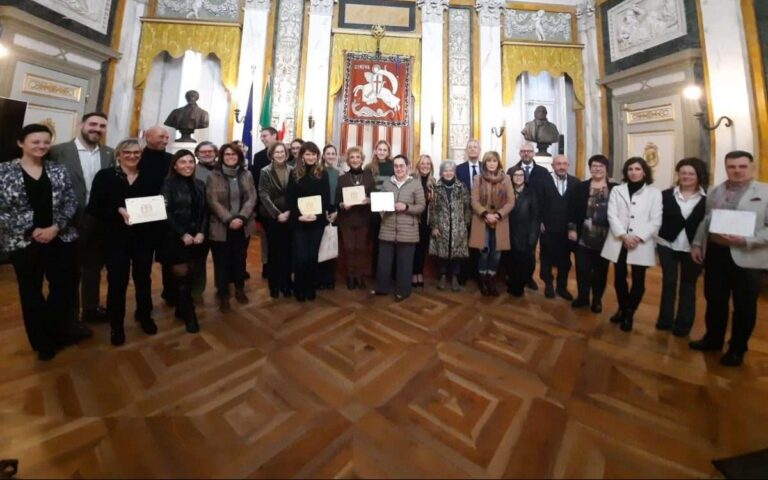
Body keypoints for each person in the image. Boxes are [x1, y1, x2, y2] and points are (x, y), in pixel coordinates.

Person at [0, 124, 79, 360]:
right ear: (21, 143)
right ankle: (41, 342)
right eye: (36, 141)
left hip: (59, 238)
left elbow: (71, 202)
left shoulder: (58, 170)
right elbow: (3, 210)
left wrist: (55, 227)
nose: (42, 146)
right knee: (31, 291)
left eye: (46, 142)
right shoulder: (4, 171)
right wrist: (33, 230)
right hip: (24, 242)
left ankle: (55, 333)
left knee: (62, 288)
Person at [690, 151, 768, 367]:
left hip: (747, 256)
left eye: (742, 166)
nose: (737, 170)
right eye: (732, 166)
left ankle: (737, 348)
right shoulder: (716, 190)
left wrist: (746, 240)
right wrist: (697, 243)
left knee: (744, 306)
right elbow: (706, 220)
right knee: (714, 300)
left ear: (751, 167)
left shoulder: (765, 192)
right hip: (716, 253)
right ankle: (713, 339)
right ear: (726, 168)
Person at [88, 138, 159, 346]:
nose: (132, 156)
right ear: (118, 154)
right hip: (115, 239)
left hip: (143, 239)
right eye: (127, 152)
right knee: (117, 282)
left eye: (136, 152)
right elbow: (93, 208)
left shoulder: (150, 177)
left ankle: (144, 316)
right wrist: (117, 210)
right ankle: (116, 326)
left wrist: (159, 206)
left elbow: (156, 203)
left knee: (143, 279)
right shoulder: (105, 176)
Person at [48, 112, 114, 337]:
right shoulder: (58, 151)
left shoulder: (110, 154)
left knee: (93, 268)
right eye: (93, 124)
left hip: (96, 221)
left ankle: (91, 308)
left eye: (102, 125)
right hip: (66, 221)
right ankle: (70, 319)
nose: (97, 129)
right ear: (81, 125)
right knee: (68, 272)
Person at [601, 157, 662, 332]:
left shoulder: (654, 193)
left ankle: (629, 313)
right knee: (619, 278)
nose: (633, 172)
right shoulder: (617, 190)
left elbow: (656, 220)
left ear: (644, 172)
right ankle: (622, 307)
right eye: (630, 169)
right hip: (619, 240)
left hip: (640, 243)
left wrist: (638, 237)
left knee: (638, 280)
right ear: (626, 172)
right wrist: (623, 235)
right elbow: (611, 215)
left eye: (637, 169)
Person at [655, 158, 707, 337]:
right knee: (668, 283)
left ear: (698, 176)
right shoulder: (665, 195)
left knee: (688, 286)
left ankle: (683, 325)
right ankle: (664, 320)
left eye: (691, 173)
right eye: (683, 173)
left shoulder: (708, 198)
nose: (686, 176)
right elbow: (656, 218)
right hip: (667, 245)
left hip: (694, 248)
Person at [159, 150, 209, 334]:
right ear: (175, 165)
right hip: (175, 238)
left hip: (196, 238)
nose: (187, 165)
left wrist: (202, 233)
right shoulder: (167, 184)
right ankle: (190, 315)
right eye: (183, 162)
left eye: (190, 162)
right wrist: (182, 234)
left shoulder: (200, 184)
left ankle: (181, 309)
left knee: (191, 274)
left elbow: (205, 211)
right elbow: (165, 212)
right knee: (182, 277)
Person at [207, 143, 257, 312]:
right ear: (222, 156)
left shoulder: (247, 174)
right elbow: (212, 200)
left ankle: (239, 288)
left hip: (243, 225)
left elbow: (252, 198)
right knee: (221, 262)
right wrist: (229, 219)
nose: (230, 157)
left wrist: (242, 217)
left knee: (240, 259)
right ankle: (223, 294)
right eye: (227, 154)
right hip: (222, 226)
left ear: (239, 157)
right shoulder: (213, 176)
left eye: (233, 155)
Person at [567, 155, 618, 313]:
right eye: (594, 166)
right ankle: (583, 297)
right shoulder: (580, 187)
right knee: (582, 269)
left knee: (601, 272)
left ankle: (596, 300)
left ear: (606, 169)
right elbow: (572, 210)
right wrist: (572, 229)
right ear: (590, 168)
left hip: (606, 238)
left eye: (601, 166)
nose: (597, 169)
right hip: (584, 237)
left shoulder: (615, 188)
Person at [371, 154, 425, 301]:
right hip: (387, 227)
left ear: (407, 167)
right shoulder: (388, 183)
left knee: (405, 263)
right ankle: (381, 288)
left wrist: (406, 206)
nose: (398, 168)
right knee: (384, 262)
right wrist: (381, 206)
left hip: (408, 229)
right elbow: (381, 201)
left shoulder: (415, 183)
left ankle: (403, 291)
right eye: (396, 166)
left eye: (401, 166)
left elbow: (421, 206)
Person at [287, 141, 335, 302]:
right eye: (307, 154)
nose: (311, 157)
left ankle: (310, 287)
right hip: (299, 221)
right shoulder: (294, 173)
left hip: (317, 221)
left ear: (317, 156)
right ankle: (299, 287)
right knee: (301, 256)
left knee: (312, 256)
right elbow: (290, 199)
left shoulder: (322, 173)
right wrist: (299, 215)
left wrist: (321, 215)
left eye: (313, 154)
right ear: (302, 156)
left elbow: (326, 198)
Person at [470, 151, 515, 296]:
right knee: (484, 252)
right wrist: (486, 214)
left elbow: (511, 201)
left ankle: (491, 280)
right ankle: (483, 280)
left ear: (498, 163)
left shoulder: (506, 178)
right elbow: (474, 200)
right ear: (484, 163)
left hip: (500, 221)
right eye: (488, 161)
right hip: (482, 220)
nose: (491, 164)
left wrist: (498, 215)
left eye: (494, 161)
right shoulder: (478, 178)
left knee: (496, 254)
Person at [140, 126, 175, 306]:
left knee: (168, 261)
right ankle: (144, 305)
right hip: (143, 219)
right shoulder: (137, 157)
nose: (165, 140)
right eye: (161, 136)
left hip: (166, 221)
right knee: (143, 265)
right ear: (148, 137)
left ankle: (170, 294)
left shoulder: (171, 160)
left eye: (167, 137)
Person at [508, 141, 548, 291]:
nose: (526, 153)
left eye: (529, 151)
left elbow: (546, 197)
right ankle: (513, 279)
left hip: (532, 221)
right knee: (513, 255)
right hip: (512, 223)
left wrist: (542, 221)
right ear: (520, 153)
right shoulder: (511, 170)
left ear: (533, 153)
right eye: (523, 151)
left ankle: (529, 278)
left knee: (529, 254)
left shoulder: (543, 172)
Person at [537, 155, 578, 300]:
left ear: (568, 165)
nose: (561, 166)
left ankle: (562, 287)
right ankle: (548, 284)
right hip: (548, 227)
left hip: (566, 229)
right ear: (553, 165)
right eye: (558, 164)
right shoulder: (543, 181)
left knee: (565, 261)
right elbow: (538, 203)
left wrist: (574, 228)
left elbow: (577, 208)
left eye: (564, 164)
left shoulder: (575, 182)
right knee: (546, 257)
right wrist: (540, 221)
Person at [336, 146, 375, 290]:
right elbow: (337, 201)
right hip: (347, 219)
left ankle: (360, 276)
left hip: (364, 219)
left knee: (361, 249)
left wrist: (369, 200)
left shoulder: (369, 177)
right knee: (349, 248)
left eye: (358, 157)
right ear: (348, 160)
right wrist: (342, 204)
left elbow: (375, 198)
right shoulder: (342, 179)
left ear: (362, 159)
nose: (355, 160)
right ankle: (351, 276)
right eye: (352, 157)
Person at [258, 142, 294, 298]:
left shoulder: (293, 170)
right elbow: (263, 194)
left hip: (289, 216)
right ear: (271, 154)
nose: (280, 154)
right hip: (272, 217)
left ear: (286, 154)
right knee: (274, 252)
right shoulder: (265, 171)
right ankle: (274, 285)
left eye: (282, 152)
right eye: (277, 152)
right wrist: (277, 213)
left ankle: (285, 284)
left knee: (287, 251)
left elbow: (295, 193)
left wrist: (289, 212)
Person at [429, 160, 471, 292]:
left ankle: (454, 277)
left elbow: (467, 207)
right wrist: (434, 226)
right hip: (442, 226)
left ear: (454, 172)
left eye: (451, 170)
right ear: (441, 172)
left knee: (456, 253)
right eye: (445, 170)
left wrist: (465, 224)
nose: (448, 173)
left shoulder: (462, 187)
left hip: (458, 226)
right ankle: (442, 276)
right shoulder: (436, 187)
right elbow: (433, 209)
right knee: (442, 253)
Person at [505, 166, 540, 297]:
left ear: (525, 177)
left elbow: (535, 218)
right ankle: (512, 284)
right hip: (509, 234)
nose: (518, 177)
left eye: (521, 175)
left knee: (523, 263)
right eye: (515, 175)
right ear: (511, 178)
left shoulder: (531, 193)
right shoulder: (507, 192)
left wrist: (532, 237)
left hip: (524, 235)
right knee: (510, 262)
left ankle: (519, 287)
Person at [249, 127, 279, 280]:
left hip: (283, 207)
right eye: (261, 136)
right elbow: (255, 182)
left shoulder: (285, 153)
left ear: (274, 135)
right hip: (265, 206)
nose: (263, 138)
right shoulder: (259, 156)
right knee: (266, 239)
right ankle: (267, 265)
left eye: (265, 135)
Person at [191, 141, 217, 302]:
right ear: (197, 154)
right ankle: (197, 291)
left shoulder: (223, 169)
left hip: (220, 221)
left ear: (216, 153)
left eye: (210, 151)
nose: (207, 154)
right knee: (198, 260)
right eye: (203, 151)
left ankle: (223, 288)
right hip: (200, 222)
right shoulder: (191, 170)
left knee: (221, 258)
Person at [456, 138, 482, 286]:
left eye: (475, 147)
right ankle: (463, 274)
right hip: (464, 212)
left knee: (478, 244)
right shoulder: (459, 169)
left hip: (481, 214)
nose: (472, 149)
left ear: (479, 150)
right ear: (466, 151)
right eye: (470, 147)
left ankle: (477, 273)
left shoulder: (486, 167)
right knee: (464, 244)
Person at [319, 144, 341, 290]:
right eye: (329, 153)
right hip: (321, 210)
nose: (331, 156)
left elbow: (341, 194)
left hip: (335, 210)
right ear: (324, 155)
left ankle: (329, 278)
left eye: (334, 153)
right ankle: (319, 277)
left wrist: (337, 211)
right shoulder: (318, 172)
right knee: (320, 245)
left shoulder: (339, 173)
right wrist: (324, 211)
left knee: (331, 244)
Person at [412, 154, 435, 288]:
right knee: (412, 249)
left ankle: (419, 272)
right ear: (418, 166)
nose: (425, 166)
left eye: (428, 164)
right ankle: (412, 273)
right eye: (423, 163)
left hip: (427, 221)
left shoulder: (434, 182)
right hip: (413, 219)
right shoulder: (412, 180)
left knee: (422, 249)